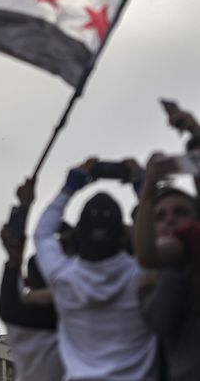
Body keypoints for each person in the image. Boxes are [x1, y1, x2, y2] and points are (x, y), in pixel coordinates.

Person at [34, 159, 156, 380]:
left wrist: (70, 186)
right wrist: (142, 186)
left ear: (77, 234)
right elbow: (162, 235)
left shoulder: (63, 277)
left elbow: (42, 233)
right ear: (124, 234)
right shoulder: (142, 276)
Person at [135, 152, 200, 381]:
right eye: (160, 217)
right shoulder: (148, 280)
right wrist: (148, 186)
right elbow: (159, 320)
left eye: (180, 212)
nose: (170, 220)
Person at [0, 178, 64, 381]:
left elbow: (14, 263)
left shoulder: (17, 318)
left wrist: (25, 206)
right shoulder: (73, 312)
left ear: (27, 282)